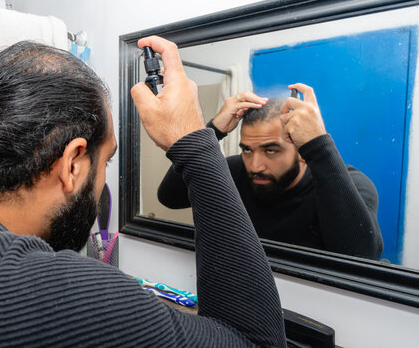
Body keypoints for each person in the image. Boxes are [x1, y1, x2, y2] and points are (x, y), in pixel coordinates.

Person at [0, 38, 286, 347]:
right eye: (105, 161)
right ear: (73, 163)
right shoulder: (23, 288)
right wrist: (195, 141)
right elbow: (254, 340)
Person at [158, 87, 383, 260]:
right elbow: (170, 197)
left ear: (301, 149)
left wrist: (317, 145)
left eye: (271, 150)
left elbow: (362, 257)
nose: (255, 165)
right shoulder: (238, 170)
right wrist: (212, 131)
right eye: (247, 149)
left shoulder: (352, 184)